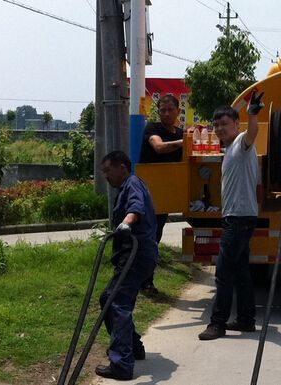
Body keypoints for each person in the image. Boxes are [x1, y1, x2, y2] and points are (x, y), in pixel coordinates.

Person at [198, 91, 265, 341]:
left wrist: (252, 114)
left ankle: (217, 323)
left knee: (223, 273)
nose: (219, 128)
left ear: (236, 124)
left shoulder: (241, 144)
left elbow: (252, 134)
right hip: (239, 217)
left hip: (238, 219)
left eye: (224, 124)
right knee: (240, 272)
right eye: (216, 125)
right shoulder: (229, 151)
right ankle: (246, 320)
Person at [96, 150, 158, 380]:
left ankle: (122, 363)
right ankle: (133, 346)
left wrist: (125, 223)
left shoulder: (132, 184)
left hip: (136, 255)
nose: (105, 176)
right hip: (136, 256)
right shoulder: (129, 185)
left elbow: (136, 208)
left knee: (117, 302)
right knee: (108, 298)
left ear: (122, 167)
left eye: (107, 170)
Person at [139, 94, 184, 295]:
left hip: (167, 194)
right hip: (149, 194)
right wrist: (186, 140)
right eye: (162, 110)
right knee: (148, 237)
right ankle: (144, 282)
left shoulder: (181, 133)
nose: (166, 113)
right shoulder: (153, 129)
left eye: (170, 110)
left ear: (178, 111)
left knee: (155, 236)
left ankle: (145, 279)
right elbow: (158, 147)